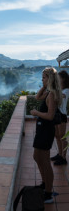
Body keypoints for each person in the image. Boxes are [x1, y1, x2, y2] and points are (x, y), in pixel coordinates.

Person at [30, 67, 62, 203]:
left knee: (45, 161)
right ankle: (44, 184)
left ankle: (48, 194)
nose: (42, 79)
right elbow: (37, 97)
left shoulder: (52, 95)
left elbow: (50, 116)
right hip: (42, 130)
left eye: (44, 77)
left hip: (46, 131)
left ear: (50, 78)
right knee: (37, 157)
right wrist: (44, 86)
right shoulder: (49, 92)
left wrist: (36, 113)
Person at [52, 70, 69, 165]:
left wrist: (53, 89)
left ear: (64, 79)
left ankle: (63, 157)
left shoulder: (66, 90)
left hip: (62, 115)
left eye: (59, 78)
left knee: (62, 136)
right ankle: (59, 154)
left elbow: (60, 96)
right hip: (56, 114)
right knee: (57, 135)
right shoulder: (60, 89)